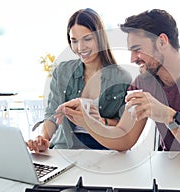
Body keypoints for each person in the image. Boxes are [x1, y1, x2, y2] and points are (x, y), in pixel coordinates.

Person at [55, 9, 180, 163]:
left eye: (137, 49)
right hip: (171, 167)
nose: (133, 59)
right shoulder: (143, 82)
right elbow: (124, 137)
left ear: (162, 41)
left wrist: (170, 117)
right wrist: (86, 121)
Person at [26, 8, 132, 152]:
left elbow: (124, 127)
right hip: (66, 147)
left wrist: (100, 122)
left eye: (87, 39)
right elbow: (52, 114)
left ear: (100, 39)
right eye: (74, 41)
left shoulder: (121, 77)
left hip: (104, 150)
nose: (80, 48)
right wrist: (43, 139)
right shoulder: (63, 71)